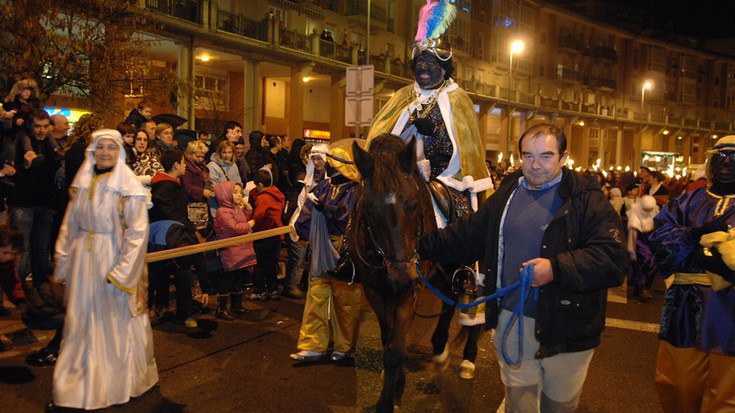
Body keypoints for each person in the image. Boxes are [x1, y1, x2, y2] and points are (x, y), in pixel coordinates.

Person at [419, 123, 627, 411]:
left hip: (566, 328)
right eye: (528, 155)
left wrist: (557, 268)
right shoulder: (506, 195)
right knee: (520, 404)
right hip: (511, 322)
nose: (535, 165)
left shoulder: (586, 199)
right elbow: (465, 236)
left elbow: (613, 258)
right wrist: (416, 247)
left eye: (546, 156)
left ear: (563, 158)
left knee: (559, 406)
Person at [50, 129, 158, 410]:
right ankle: (76, 384)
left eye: (112, 147)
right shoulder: (83, 184)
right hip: (82, 262)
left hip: (111, 260)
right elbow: (69, 225)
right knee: (79, 321)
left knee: (110, 323)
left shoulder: (129, 187)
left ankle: (110, 384)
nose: (106, 152)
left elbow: (137, 233)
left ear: (119, 151)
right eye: (101, 147)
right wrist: (63, 260)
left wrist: (122, 272)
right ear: (92, 151)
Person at [648, 135, 735, 412]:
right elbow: (660, 240)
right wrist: (692, 237)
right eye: (720, 157)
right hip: (685, 310)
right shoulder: (688, 201)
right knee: (677, 386)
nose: (726, 164)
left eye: (734, 158)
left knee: (727, 395)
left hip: (731, 314)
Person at [290, 141, 362, 363]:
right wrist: (310, 222)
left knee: (346, 301)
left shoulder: (357, 191)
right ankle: (313, 345)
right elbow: (305, 218)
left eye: (333, 162)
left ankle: (343, 346)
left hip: (344, 250)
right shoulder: (322, 187)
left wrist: (325, 211)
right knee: (316, 298)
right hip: (320, 248)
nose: (328, 166)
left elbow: (348, 218)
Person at [7, 109, 61, 286]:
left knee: (41, 250)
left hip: (44, 205)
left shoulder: (50, 145)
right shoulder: (18, 143)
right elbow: (12, 173)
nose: (42, 131)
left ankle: (40, 291)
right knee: (22, 251)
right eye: (38, 126)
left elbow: (52, 169)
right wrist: (26, 167)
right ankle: (18, 290)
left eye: (45, 127)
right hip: (23, 204)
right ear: (31, 126)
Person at [148, 149, 199, 328]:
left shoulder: (172, 184)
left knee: (167, 274)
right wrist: (189, 228)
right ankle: (177, 313)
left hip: (171, 236)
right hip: (169, 238)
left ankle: (169, 310)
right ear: (176, 165)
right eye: (184, 162)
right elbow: (171, 212)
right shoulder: (165, 186)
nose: (185, 165)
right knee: (177, 273)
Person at [0, 224, 64, 365]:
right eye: (5, 252)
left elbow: (11, 282)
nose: (8, 257)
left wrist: (21, 301)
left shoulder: (5, 263)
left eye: (12, 254)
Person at [213, 181, 256, 320]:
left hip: (242, 248)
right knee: (228, 278)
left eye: (240, 192)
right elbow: (234, 228)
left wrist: (248, 210)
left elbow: (242, 221)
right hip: (231, 250)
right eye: (235, 192)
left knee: (239, 276)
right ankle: (222, 308)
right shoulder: (222, 211)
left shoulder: (237, 208)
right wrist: (248, 225)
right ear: (225, 194)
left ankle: (236, 305)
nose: (239, 195)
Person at [247, 169, 285, 300]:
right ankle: (272, 289)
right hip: (276, 234)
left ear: (260, 185)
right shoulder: (277, 193)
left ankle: (260, 290)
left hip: (263, 235)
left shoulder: (263, 197)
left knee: (259, 264)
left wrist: (250, 225)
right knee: (271, 264)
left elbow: (259, 216)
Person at [626, 195, 659, 301]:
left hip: (651, 241)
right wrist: (631, 251)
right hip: (640, 243)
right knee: (645, 262)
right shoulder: (635, 217)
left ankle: (642, 287)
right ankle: (642, 287)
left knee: (653, 263)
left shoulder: (654, 210)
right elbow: (632, 237)